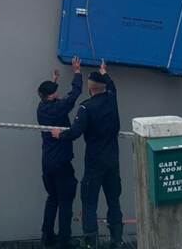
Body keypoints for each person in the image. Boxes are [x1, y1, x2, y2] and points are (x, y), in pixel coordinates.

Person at [51, 60, 122, 248]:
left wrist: (60, 134)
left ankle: (92, 244)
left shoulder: (86, 107)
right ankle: (117, 240)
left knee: (89, 204)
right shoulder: (111, 98)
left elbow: (74, 132)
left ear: (90, 89)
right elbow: (112, 85)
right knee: (114, 201)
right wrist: (104, 71)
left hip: (95, 163)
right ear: (104, 87)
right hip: (113, 160)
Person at [37, 56, 83, 248]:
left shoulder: (41, 107)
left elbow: (48, 96)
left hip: (47, 162)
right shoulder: (59, 108)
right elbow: (75, 93)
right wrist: (77, 71)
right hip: (61, 163)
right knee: (65, 201)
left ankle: (47, 236)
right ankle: (64, 240)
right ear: (53, 96)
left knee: (52, 198)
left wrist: (54, 81)